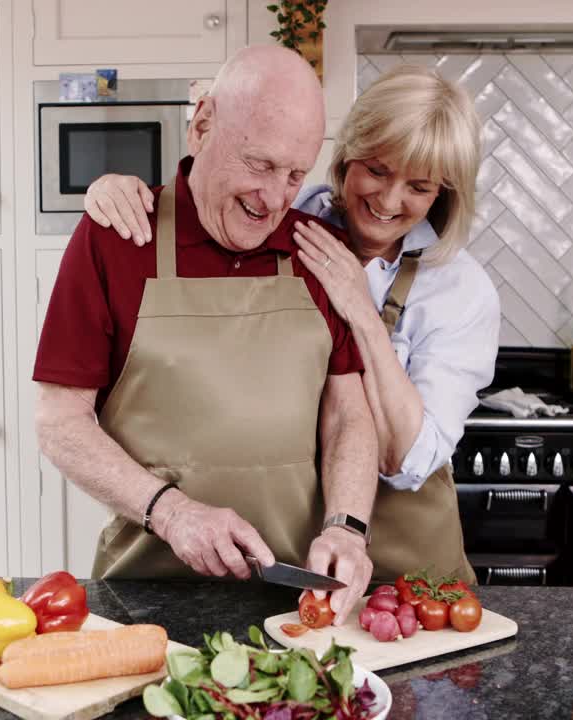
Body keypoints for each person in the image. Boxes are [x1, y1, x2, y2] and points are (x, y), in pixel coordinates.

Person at [83, 65, 500, 585]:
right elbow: (214, 184)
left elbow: (406, 460)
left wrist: (363, 316)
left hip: (404, 564)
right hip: (301, 556)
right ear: (345, 155)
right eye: (376, 170)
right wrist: (115, 187)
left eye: (418, 186)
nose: (390, 201)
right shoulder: (286, 213)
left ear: (443, 194)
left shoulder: (460, 290)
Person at [34, 45, 378, 624]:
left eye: (296, 174)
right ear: (202, 126)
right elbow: (59, 423)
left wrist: (348, 527)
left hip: (298, 604)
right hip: (144, 597)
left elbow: (350, 414)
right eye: (260, 165)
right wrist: (172, 514)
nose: (274, 199)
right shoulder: (115, 240)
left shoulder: (322, 251)